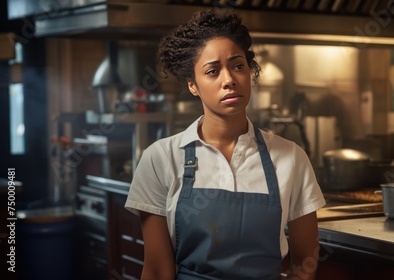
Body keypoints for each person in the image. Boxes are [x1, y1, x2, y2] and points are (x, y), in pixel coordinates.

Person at [125, 9, 326, 280]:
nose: (229, 79)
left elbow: (304, 263)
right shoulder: (160, 159)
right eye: (212, 71)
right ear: (192, 85)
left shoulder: (291, 157)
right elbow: (158, 271)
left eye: (238, 65)